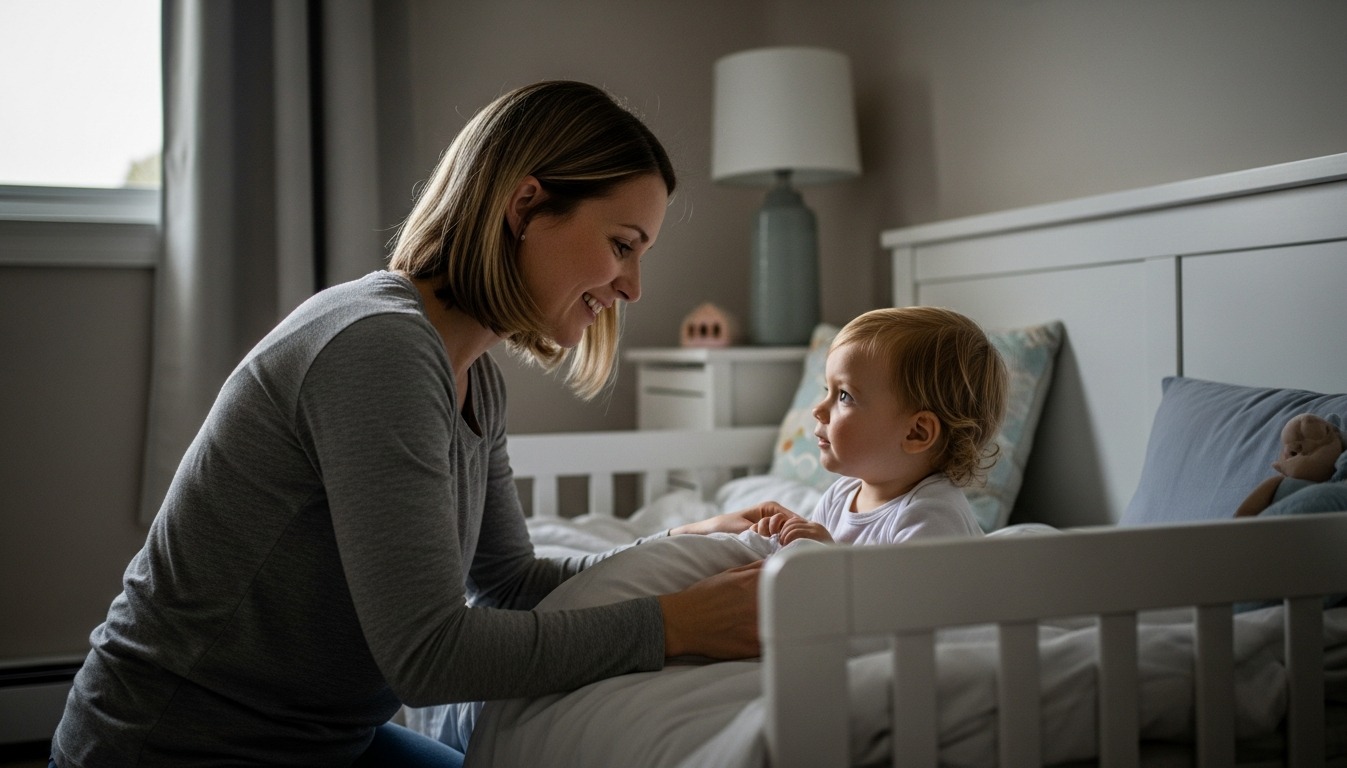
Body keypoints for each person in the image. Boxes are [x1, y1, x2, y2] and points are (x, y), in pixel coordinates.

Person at [51, 81, 762, 768]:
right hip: (179, 747)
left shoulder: (472, 374)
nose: (634, 287)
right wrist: (674, 626)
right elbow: (431, 655)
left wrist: (673, 549)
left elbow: (510, 582)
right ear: (525, 206)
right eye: (622, 245)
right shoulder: (378, 348)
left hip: (322, 741)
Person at [675, 307, 1008, 546]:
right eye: (826, 391)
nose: (819, 410)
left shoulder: (931, 516)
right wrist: (786, 539)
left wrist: (829, 559)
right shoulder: (841, 496)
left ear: (916, 433)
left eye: (845, 396)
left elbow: (903, 612)